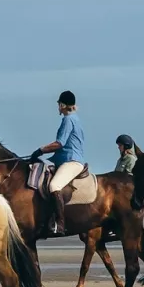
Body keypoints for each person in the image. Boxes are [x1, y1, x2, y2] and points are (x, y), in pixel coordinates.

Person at [33, 91, 87, 236]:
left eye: (59, 104)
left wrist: (41, 150)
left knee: (53, 185)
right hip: (61, 158)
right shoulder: (74, 118)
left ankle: (60, 223)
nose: (58, 107)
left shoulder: (68, 120)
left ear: (63, 105)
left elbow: (60, 143)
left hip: (71, 160)